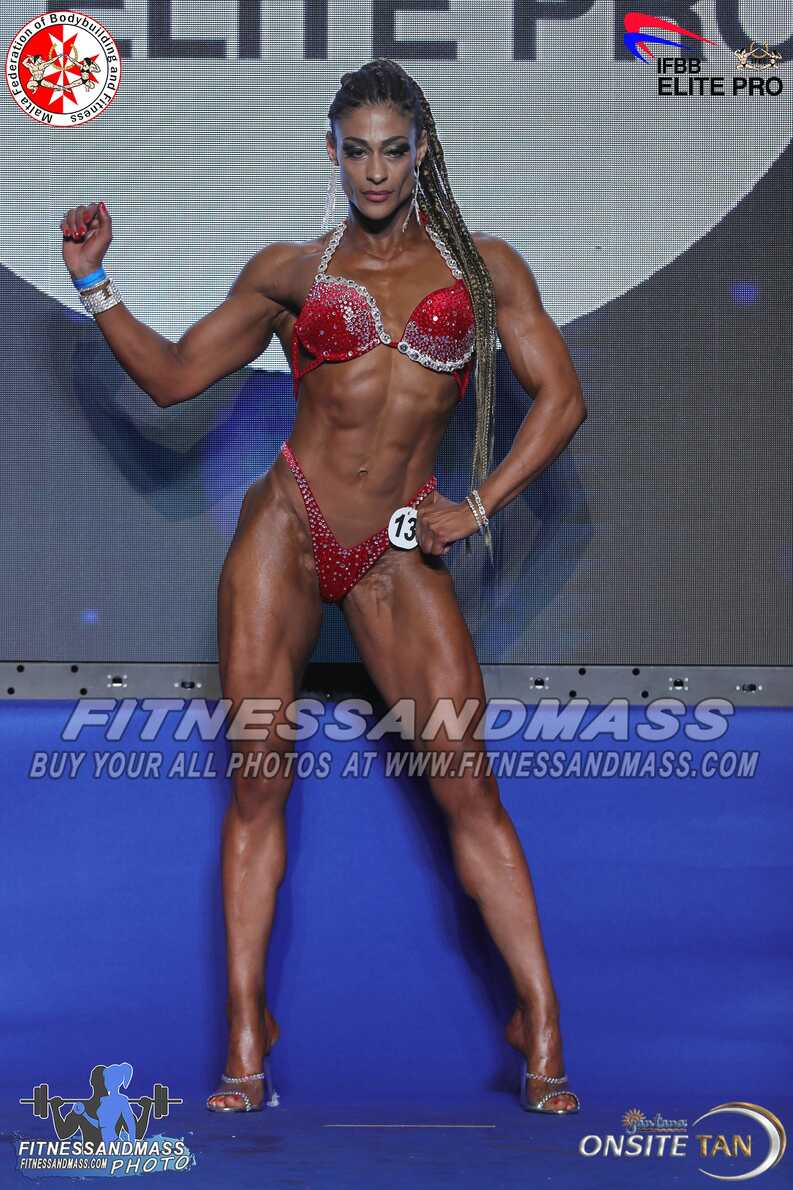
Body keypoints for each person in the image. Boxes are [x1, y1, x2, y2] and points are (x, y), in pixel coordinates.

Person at [59, 58, 587, 1115]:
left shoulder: (483, 268)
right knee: (260, 777)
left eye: (393, 149)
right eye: (357, 151)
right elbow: (171, 378)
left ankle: (541, 1020)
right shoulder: (290, 272)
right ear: (333, 155)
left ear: (421, 151)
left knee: (467, 785)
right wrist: (92, 281)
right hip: (288, 533)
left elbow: (562, 399)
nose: (375, 170)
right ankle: (245, 1030)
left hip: (396, 552)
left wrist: (477, 507)